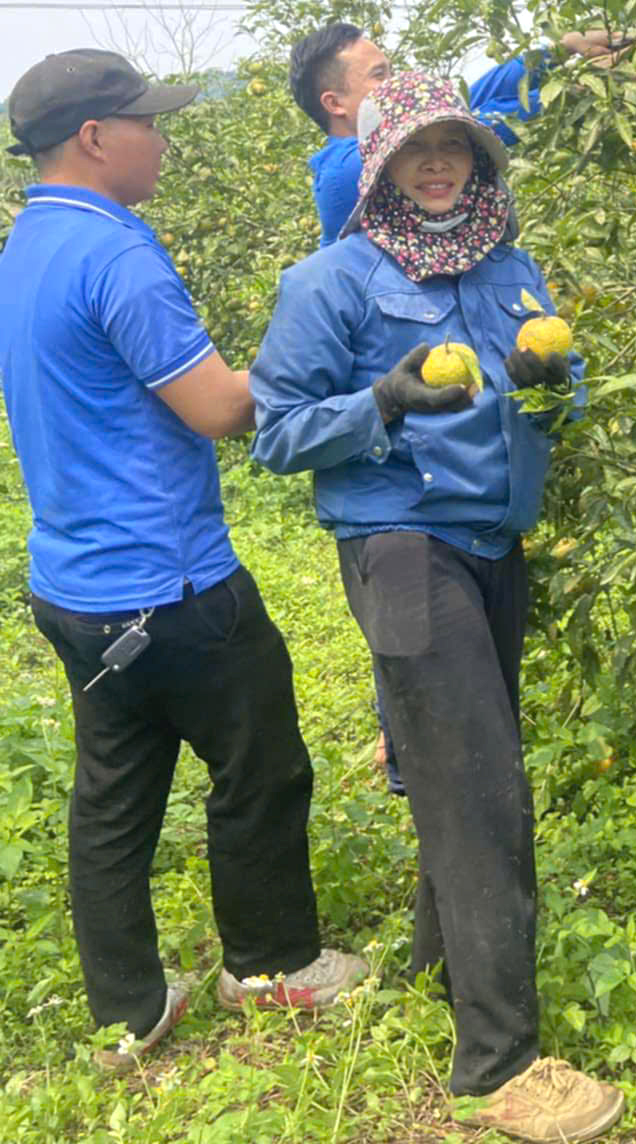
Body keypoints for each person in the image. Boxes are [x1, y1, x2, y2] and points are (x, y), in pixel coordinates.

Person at [247, 72, 621, 1141]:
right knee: (483, 788)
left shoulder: (512, 269)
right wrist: (384, 399)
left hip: (491, 542)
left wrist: (556, 381)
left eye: (456, 146)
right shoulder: (333, 282)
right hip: (404, 548)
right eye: (418, 150)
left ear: (480, 157)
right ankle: (499, 1060)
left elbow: (560, 382)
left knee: (460, 765)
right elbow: (275, 433)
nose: (441, 164)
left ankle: (434, 958)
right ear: (381, 166)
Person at [0, 49, 366, 1073]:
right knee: (262, 766)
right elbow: (215, 409)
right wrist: (311, 350)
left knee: (110, 802)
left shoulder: (22, 246)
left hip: (71, 588)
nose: (163, 138)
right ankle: (272, 961)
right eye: (148, 122)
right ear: (94, 138)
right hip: (174, 585)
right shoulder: (117, 254)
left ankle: (128, 1010)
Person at [288, 22, 633, 247]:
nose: (396, 84)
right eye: (380, 76)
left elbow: (467, 102)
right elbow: (474, 122)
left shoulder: (378, 142)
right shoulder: (346, 169)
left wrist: (559, 49)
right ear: (335, 104)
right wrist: (568, 91)